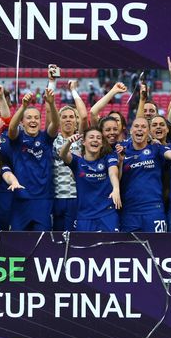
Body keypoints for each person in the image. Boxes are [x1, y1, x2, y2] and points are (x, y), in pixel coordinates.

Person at [117, 117, 171, 232]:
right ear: (131, 130)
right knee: (128, 249)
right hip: (130, 212)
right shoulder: (122, 152)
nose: (140, 129)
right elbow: (117, 178)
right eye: (136, 126)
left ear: (148, 132)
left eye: (143, 127)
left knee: (158, 248)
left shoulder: (156, 149)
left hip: (153, 210)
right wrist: (121, 162)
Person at [7, 90, 59, 231]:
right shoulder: (17, 139)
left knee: (43, 243)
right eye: (29, 118)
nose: (33, 121)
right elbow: (11, 128)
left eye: (36, 118)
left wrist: (52, 104)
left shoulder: (46, 138)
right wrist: (23, 106)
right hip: (21, 199)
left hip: (43, 200)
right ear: (22, 122)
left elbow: (55, 124)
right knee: (17, 244)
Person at [60, 127, 121, 232]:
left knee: (112, 247)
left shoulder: (108, 157)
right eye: (91, 137)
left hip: (107, 214)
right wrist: (68, 142)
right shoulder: (77, 162)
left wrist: (116, 188)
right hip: (84, 217)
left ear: (102, 143)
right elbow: (63, 155)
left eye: (98, 138)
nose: (95, 140)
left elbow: (113, 173)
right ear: (84, 142)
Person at [52, 80, 88, 231]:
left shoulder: (81, 138)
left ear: (75, 120)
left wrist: (73, 90)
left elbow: (85, 116)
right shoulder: (52, 139)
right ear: (59, 120)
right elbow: (50, 110)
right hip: (55, 197)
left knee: (73, 237)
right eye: (64, 117)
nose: (68, 119)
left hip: (75, 197)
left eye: (71, 117)